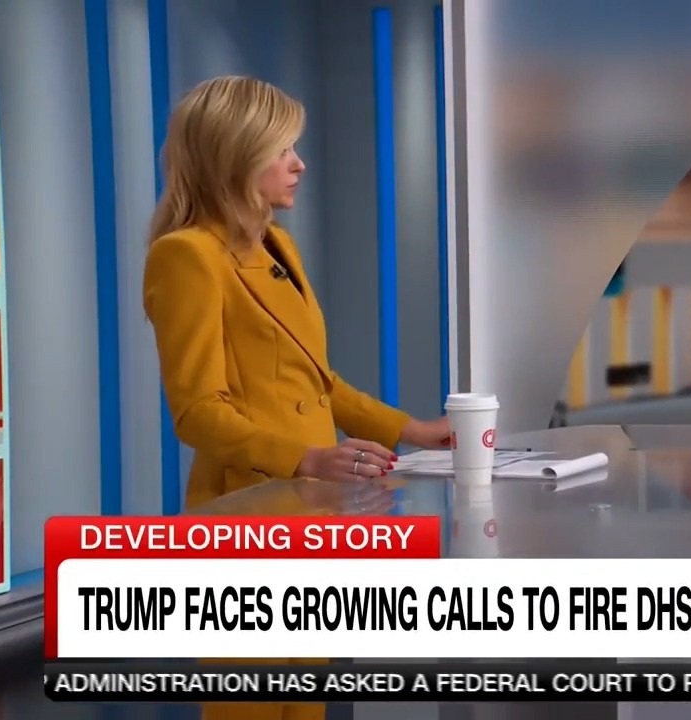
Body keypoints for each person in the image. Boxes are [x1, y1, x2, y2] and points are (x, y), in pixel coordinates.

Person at [143, 75, 452, 720]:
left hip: (311, 516)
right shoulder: (187, 257)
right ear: (235, 155)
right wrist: (307, 458)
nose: (299, 164)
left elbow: (319, 382)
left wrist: (413, 430)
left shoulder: (276, 246)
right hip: (243, 517)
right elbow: (198, 411)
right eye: (282, 149)